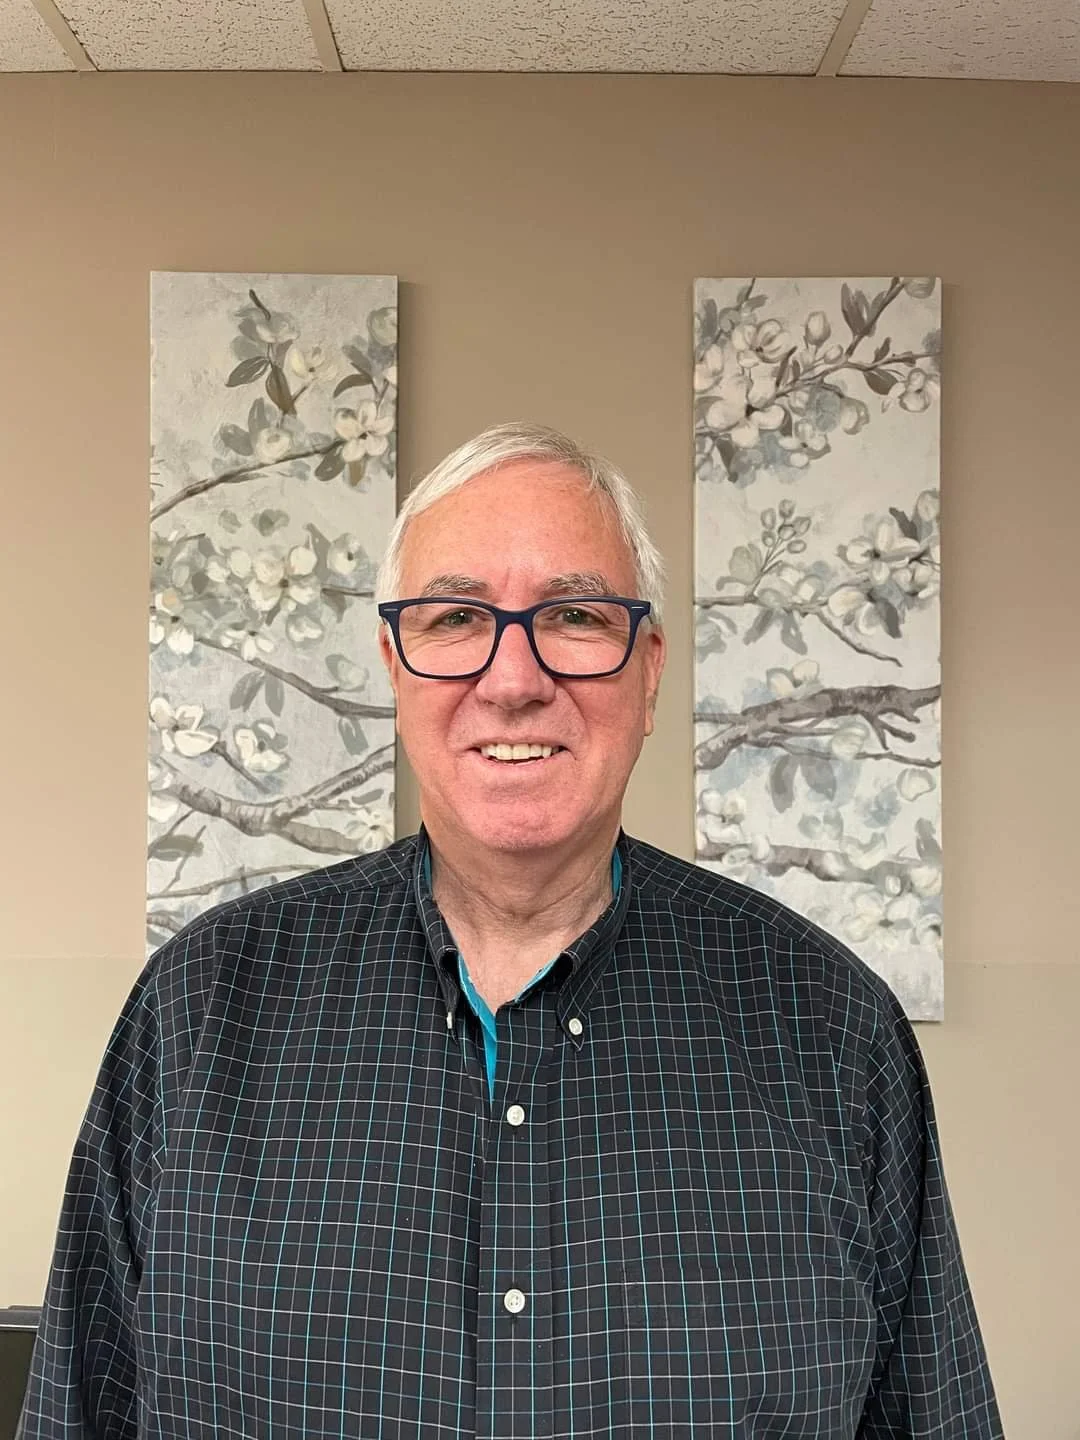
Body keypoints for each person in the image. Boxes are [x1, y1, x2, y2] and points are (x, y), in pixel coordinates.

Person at [21, 423, 1002, 1438]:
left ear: (650, 668)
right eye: (455, 617)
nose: (512, 678)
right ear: (394, 666)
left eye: (574, 614)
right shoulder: (198, 1012)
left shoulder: (830, 1028)